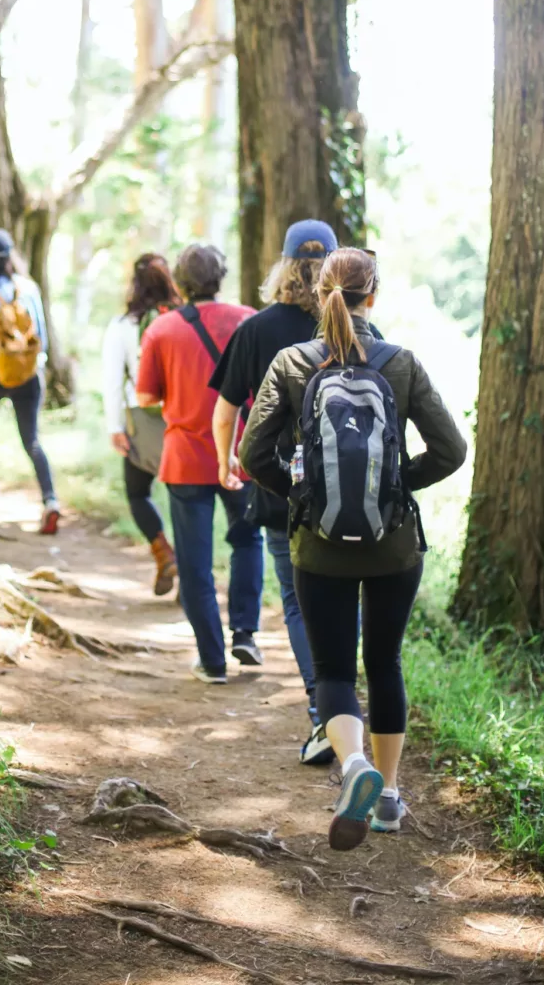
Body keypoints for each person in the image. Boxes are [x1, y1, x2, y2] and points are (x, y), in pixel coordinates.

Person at [240, 247, 466, 850]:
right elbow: (451, 451)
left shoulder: (292, 363)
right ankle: (388, 797)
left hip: (318, 546)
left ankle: (354, 767)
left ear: (319, 294)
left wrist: (302, 496)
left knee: (335, 669)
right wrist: (395, 487)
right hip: (393, 548)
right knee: (385, 662)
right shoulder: (401, 362)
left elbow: (251, 455)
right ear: (375, 295)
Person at [210, 220, 382, 766]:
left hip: (283, 490)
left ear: (281, 266)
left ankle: (323, 716)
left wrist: (226, 463)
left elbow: (226, 412)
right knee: (349, 597)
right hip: (360, 492)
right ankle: (346, 710)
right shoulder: (363, 332)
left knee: (300, 605)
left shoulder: (256, 330)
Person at [136, 244, 262, 684]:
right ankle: (245, 631)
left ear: (180, 283)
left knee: (194, 563)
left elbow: (146, 396)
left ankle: (212, 660)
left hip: (187, 457)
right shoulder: (248, 319)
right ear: (221, 276)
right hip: (242, 453)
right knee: (248, 540)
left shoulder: (162, 330)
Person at [102, 254, 181, 595]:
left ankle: (163, 551)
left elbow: (110, 381)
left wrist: (115, 427)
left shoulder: (123, 326)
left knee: (138, 492)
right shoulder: (184, 319)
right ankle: (190, 576)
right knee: (185, 499)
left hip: (141, 422)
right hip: (183, 420)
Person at [0, 229, 59, 535]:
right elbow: (42, 340)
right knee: (32, 440)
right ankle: (50, 500)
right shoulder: (28, 289)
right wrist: (37, 366)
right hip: (27, 376)